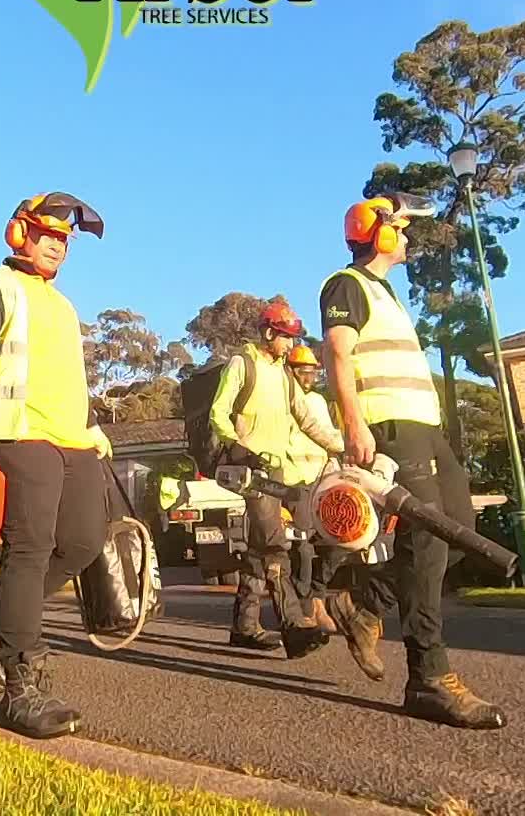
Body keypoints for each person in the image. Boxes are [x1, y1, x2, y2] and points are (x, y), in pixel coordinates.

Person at [317, 194, 507, 729]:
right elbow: (337, 353)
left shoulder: (387, 294)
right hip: (392, 427)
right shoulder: (346, 284)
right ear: (376, 234)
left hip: (427, 429)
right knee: (426, 539)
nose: (406, 237)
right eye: (399, 227)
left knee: (460, 531)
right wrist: (353, 424)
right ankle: (428, 678)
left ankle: (366, 604)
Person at [0, 192, 114, 739]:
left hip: (71, 439)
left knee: (84, 542)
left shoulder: (63, 306)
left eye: (64, 240)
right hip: (18, 432)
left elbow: (69, 375)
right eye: (48, 235)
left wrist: (89, 426)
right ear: (20, 233)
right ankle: (21, 685)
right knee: (31, 548)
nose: (57, 247)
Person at [209, 302, 343, 655]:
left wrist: (345, 446)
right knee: (274, 545)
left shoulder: (284, 374)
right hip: (250, 471)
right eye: (285, 338)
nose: (289, 345)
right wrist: (238, 448)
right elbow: (218, 413)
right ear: (269, 333)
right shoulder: (244, 364)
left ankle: (245, 625)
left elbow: (307, 419)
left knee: (257, 548)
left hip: (279, 472)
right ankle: (295, 625)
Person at [282, 343, 338, 634]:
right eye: (304, 372)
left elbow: (327, 435)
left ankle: (317, 597)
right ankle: (305, 608)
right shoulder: (280, 400)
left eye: (313, 373)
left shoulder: (317, 400)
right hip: (294, 482)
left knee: (337, 539)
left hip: (322, 479)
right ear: (290, 372)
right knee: (302, 548)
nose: (309, 378)